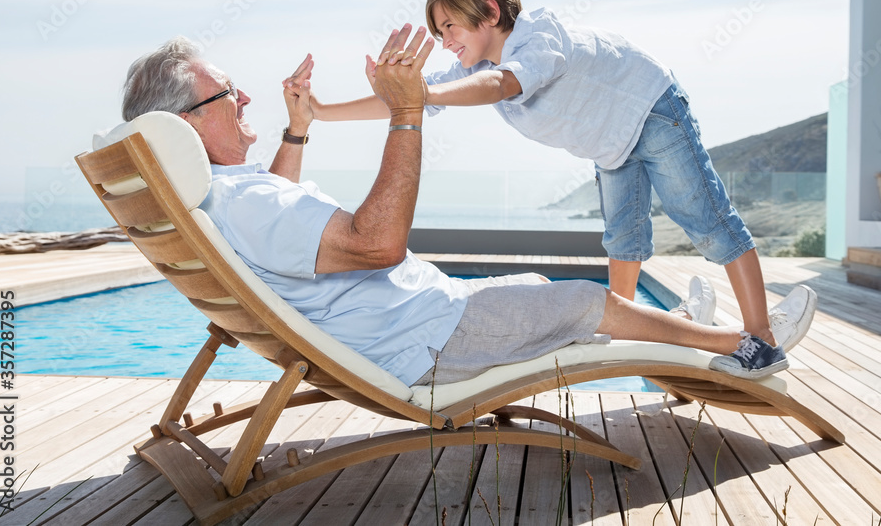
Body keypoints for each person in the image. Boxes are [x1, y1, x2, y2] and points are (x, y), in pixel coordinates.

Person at [120, 27, 811, 381]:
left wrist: (299, 127)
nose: (245, 98)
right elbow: (376, 243)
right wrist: (406, 111)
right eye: (227, 93)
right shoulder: (243, 202)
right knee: (581, 300)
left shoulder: (227, 195)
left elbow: (284, 206)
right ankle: (747, 345)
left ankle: (681, 328)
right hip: (423, 340)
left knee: (542, 289)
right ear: (183, 122)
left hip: (422, 320)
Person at [305, 0, 817, 378]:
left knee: (706, 221)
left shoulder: (538, 35)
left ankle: (760, 339)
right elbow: (414, 101)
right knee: (623, 240)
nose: (445, 43)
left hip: (652, 109)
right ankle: (636, 336)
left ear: (488, 11)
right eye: (439, 33)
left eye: (449, 28)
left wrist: (422, 92)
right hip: (611, 145)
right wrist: (322, 112)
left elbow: (503, 86)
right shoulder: (472, 69)